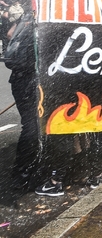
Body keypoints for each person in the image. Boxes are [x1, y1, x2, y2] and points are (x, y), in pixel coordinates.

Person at [8, 12, 39, 193]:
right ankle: (22, 174)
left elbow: (10, 34)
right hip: (28, 80)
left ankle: (26, 170)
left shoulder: (28, 13)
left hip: (21, 79)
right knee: (33, 126)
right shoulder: (40, 15)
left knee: (33, 125)